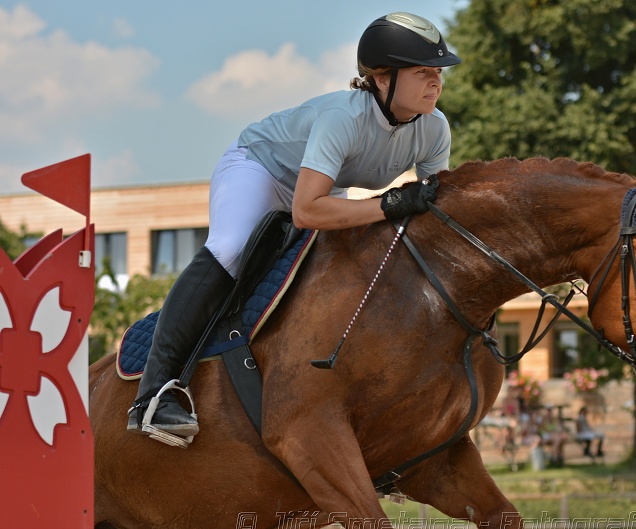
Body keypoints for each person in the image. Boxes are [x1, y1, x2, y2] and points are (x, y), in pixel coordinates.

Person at [127, 12, 461, 438]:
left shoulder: (435, 129)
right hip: (261, 169)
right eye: (422, 72)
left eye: (437, 72)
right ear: (381, 78)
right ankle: (153, 395)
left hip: (323, 188)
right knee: (230, 249)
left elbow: (428, 207)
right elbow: (307, 212)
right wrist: (390, 202)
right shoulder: (344, 118)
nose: (436, 82)